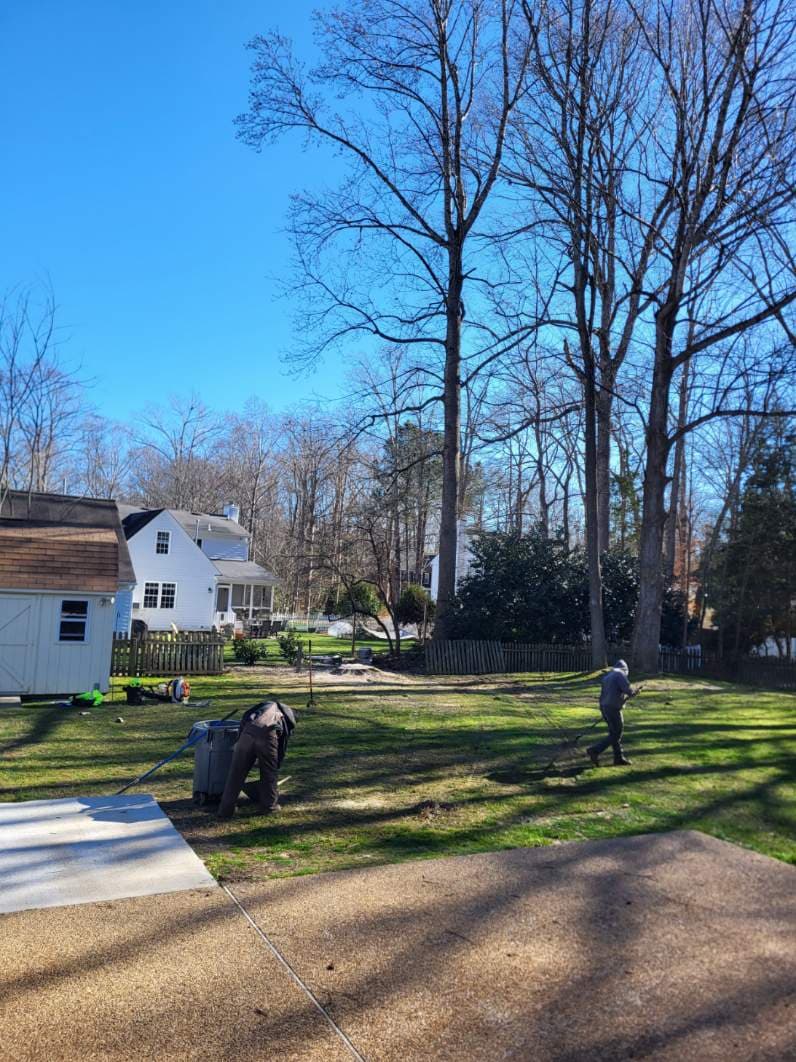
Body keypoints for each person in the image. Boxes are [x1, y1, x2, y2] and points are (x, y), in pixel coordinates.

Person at [217, 701, 284, 819]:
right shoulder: (284, 718)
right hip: (268, 735)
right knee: (269, 772)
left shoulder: (261, 707)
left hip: (246, 734)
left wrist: (239, 741)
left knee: (236, 772)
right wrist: (275, 764)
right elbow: (281, 745)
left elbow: (245, 718)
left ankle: (225, 809)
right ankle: (269, 807)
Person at [587, 660, 640, 767]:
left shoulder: (608, 676)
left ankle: (618, 758)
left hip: (604, 706)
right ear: (625, 669)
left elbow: (609, 693)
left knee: (614, 732)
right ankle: (595, 750)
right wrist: (635, 691)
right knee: (616, 733)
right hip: (613, 708)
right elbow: (629, 691)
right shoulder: (620, 674)